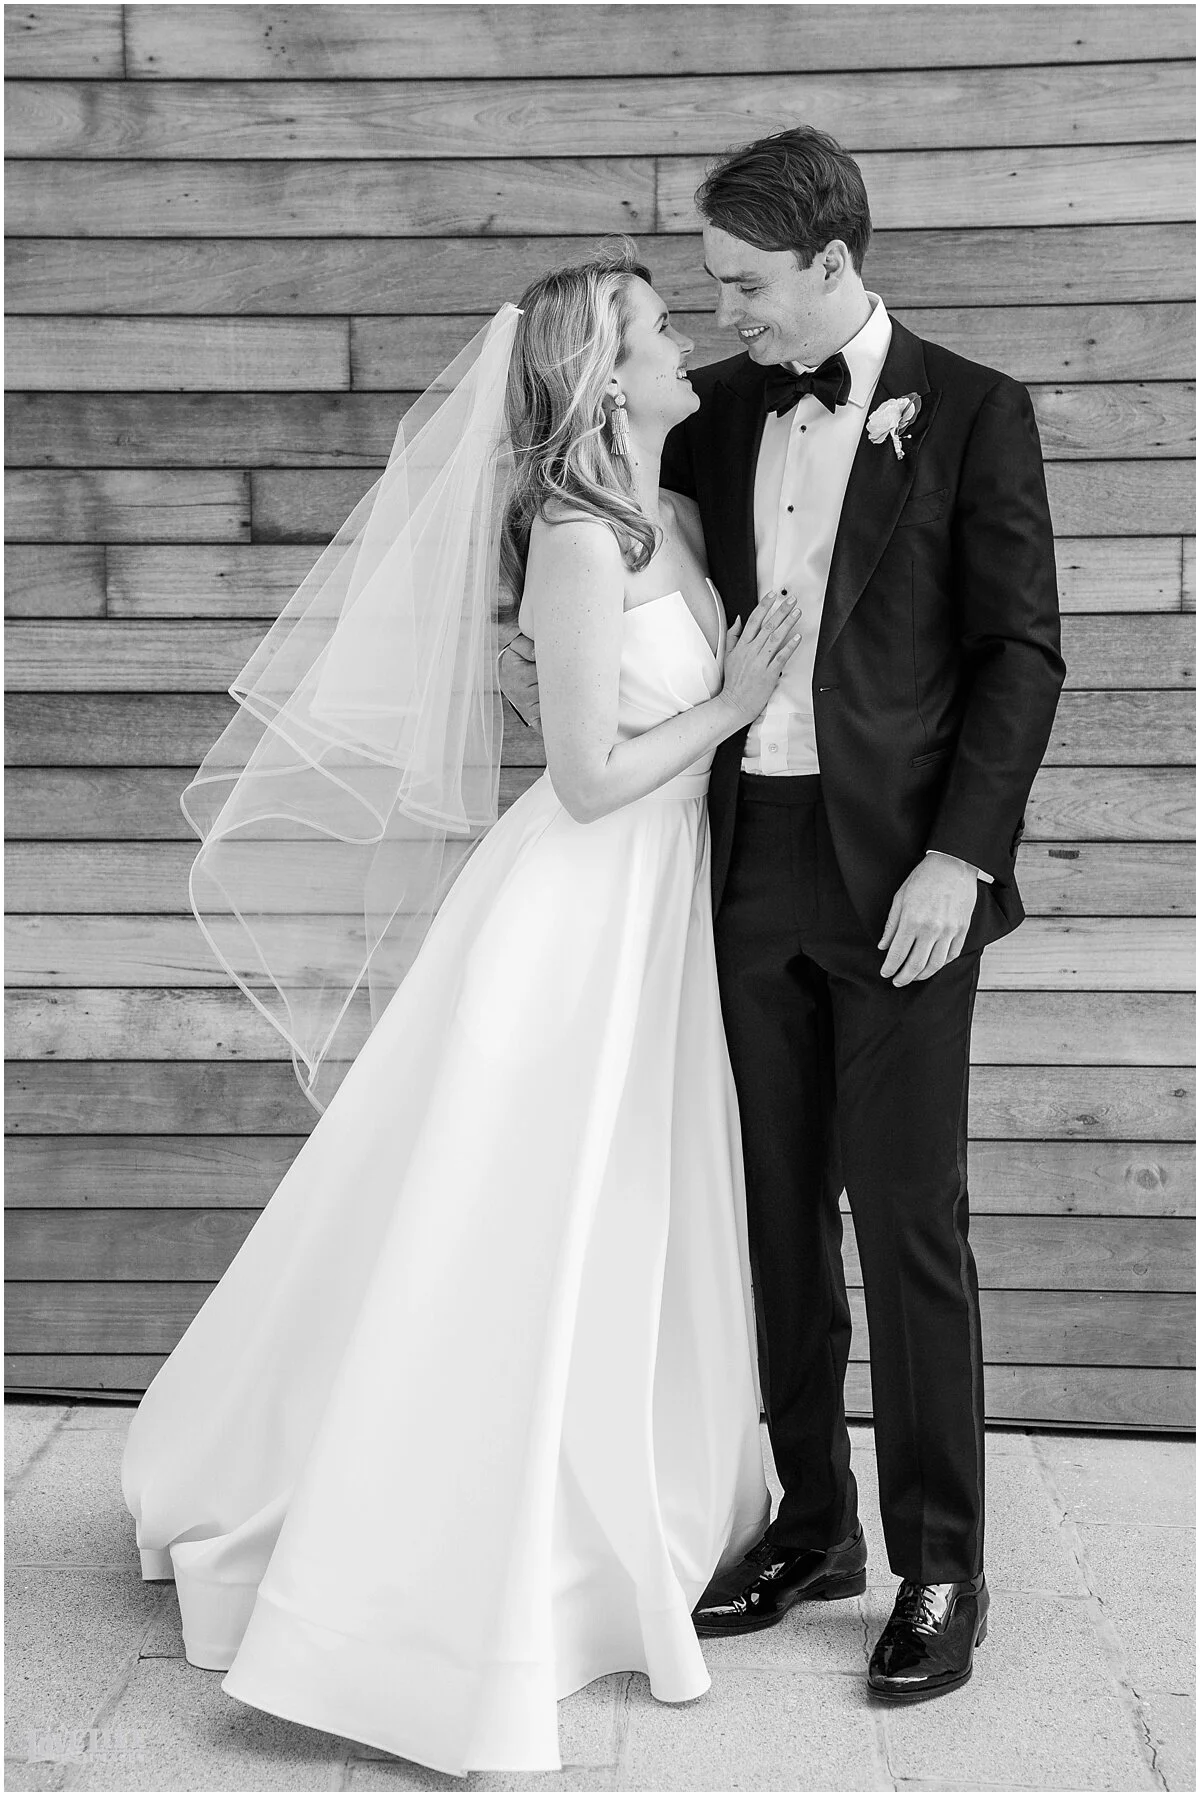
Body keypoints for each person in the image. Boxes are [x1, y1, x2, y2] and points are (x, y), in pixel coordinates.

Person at [120, 243, 808, 1775]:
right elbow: (588, 777)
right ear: (604, 380)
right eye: (657, 329)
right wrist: (731, 706)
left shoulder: (676, 515)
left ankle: (632, 1480)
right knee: (524, 1211)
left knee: (631, 1200)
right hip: (578, 907)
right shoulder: (573, 541)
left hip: (659, 907)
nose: (684, 345)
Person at [501, 127, 1065, 1704]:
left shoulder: (975, 412)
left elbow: (1020, 656)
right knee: (773, 1211)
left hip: (905, 879)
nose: (724, 312)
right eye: (710, 288)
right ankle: (813, 1525)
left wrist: (963, 860)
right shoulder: (719, 407)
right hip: (739, 860)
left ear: (832, 264)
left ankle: (942, 1566)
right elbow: (598, 553)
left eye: (745, 284)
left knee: (910, 1217)